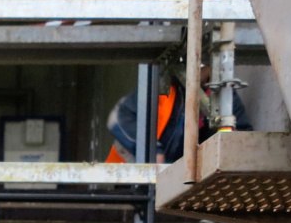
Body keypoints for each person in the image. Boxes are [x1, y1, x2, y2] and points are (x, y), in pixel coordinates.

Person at [107, 67, 252, 164]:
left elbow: (240, 137)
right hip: (130, 175)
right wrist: (152, 150)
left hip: (177, 181)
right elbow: (117, 119)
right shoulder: (163, 87)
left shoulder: (225, 97)